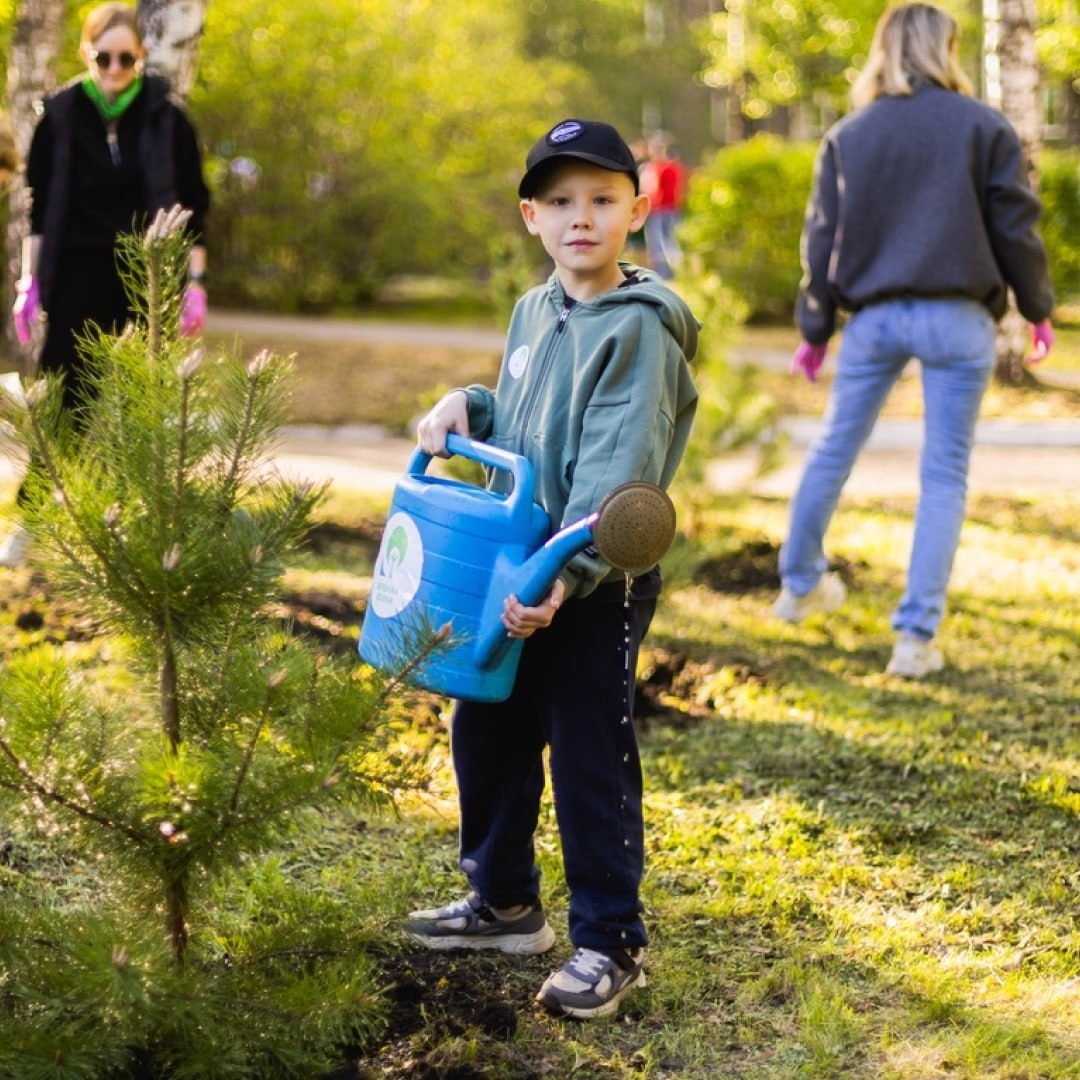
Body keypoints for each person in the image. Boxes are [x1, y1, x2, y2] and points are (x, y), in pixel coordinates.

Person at [406, 118, 699, 1019]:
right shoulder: (537, 309)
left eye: (603, 200)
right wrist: (473, 402)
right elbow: (530, 417)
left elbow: (615, 470)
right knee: (484, 726)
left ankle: (611, 940)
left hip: (592, 576)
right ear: (532, 216)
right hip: (518, 565)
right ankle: (503, 901)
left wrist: (560, 582)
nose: (582, 218)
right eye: (562, 202)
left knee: (587, 753)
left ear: (636, 211)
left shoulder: (641, 331)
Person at [772, 2, 1054, 678]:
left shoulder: (849, 134)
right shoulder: (984, 125)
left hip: (872, 319)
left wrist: (814, 329)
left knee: (834, 446)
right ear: (947, 48)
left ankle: (799, 587)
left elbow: (821, 239)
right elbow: (1015, 229)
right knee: (944, 476)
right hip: (959, 318)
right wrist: (1037, 308)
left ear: (884, 50)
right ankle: (914, 640)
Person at [1, 1, 210, 568]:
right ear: (86, 53)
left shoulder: (166, 114)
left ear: (141, 56)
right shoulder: (61, 114)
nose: (115, 69)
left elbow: (193, 203)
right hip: (73, 278)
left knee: (139, 407)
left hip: (146, 283)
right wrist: (28, 282)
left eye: (127, 58)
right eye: (104, 56)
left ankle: (129, 535)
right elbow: (38, 209)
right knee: (60, 403)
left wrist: (194, 283)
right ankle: (33, 520)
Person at [641, 133, 687, 280]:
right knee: (667, 241)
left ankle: (666, 274)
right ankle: (675, 272)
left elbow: (653, 189)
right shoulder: (673, 168)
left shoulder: (659, 169)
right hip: (669, 210)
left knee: (660, 243)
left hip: (661, 210)